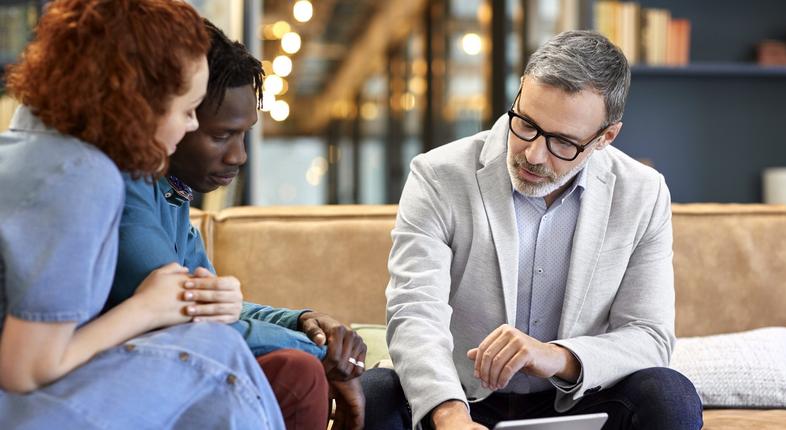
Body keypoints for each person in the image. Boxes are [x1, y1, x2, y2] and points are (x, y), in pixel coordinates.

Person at [377, 30, 703, 429]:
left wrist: (557, 356)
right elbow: (414, 312)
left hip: (576, 399)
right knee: (373, 394)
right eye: (526, 124)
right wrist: (449, 415)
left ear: (605, 138)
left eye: (562, 143)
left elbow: (649, 335)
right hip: (461, 397)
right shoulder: (438, 176)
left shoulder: (643, 193)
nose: (532, 154)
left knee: (669, 395)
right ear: (518, 95)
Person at [0, 1, 284, 428]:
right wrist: (146, 309)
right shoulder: (83, 174)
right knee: (218, 356)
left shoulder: (29, 148)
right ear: (137, 101)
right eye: (188, 110)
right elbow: (24, 367)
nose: (191, 127)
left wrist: (188, 300)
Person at [108, 20, 366, 430]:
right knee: (297, 371)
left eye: (244, 134)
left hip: (158, 368)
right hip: (112, 384)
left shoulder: (172, 190)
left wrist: (303, 322)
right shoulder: (122, 187)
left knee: (299, 367)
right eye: (222, 135)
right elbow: (189, 318)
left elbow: (212, 309)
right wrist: (324, 354)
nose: (239, 156)